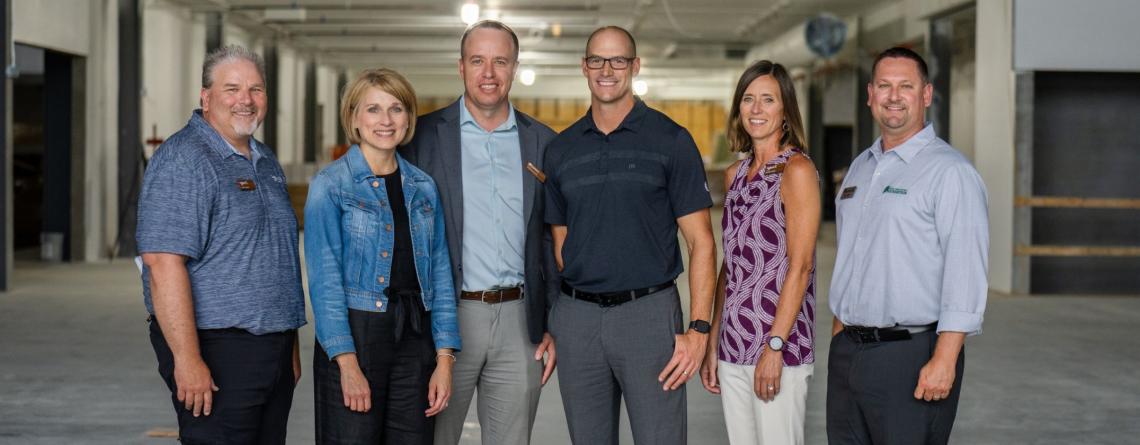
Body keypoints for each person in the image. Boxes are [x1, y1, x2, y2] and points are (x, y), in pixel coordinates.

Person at [543, 26, 716, 445]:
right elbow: (561, 246)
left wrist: (698, 329)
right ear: (584, 67)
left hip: (648, 316)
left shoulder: (671, 140)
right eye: (597, 60)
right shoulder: (562, 150)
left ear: (635, 66)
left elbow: (702, 242)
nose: (607, 70)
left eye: (618, 60)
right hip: (578, 320)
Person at [137, 44, 305, 444]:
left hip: (271, 350)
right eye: (232, 89)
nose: (245, 100)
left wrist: (289, 343)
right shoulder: (185, 160)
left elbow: (276, 257)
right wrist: (188, 360)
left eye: (256, 90)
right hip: (217, 347)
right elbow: (162, 263)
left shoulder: (263, 159)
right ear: (206, 96)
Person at [401, 20, 558, 445]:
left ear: (514, 67)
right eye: (478, 61)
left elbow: (552, 240)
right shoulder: (421, 138)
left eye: (500, 61)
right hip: (445, 319)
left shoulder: (543, 143)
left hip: (519, 321)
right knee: (432, 436)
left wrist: (552, 322)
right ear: (461, 67)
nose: (489, 73)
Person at [826, 47, 989, 445]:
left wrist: (945, 358)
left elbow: (965, 270)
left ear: (927, 95)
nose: (893, 96)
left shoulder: (951, 172)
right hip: (849, 352)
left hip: (911, 355)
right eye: (884, 85)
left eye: (906, 86)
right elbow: (851, 255)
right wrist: (839, 330)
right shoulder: (860, 169)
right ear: (870, 94)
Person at [304, 68, 460, 444]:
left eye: (396, 109)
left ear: (408, 118)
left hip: (415, 337)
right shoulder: (331, 185)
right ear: (354, 118)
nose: (385, 121)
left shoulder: (423, 187)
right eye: (373, 109)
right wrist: (346, 362)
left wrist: (444, 358)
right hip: (358, 335)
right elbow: (325, 281)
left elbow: (439, 272)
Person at [700, 60, 820, 445]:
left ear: (785, 109)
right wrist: (714, 340)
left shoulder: (797, 170)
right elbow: (730, 265)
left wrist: (775, 347)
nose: (756, 109)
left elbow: (800, 266)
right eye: (748, 99)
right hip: (734, 343)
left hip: (778, 345)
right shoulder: (736, 175)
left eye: (768, 99)